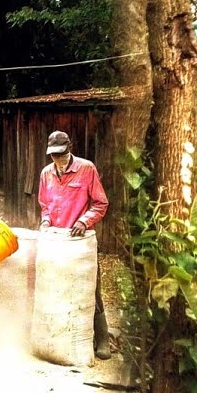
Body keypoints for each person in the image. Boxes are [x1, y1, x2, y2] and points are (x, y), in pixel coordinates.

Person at [37, 131, 111, 358]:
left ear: (69, 148)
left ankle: (103, 338)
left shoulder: (86, 169)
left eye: (61, 154)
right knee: (56, 288)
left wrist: (84, 220)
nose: (57, 159)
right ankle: (62, 338)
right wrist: (46, 219)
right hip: (56, 240)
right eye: (53, 155)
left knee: (90, 290)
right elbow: (44, 203)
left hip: (79, 242)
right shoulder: (46, 173)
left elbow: (101, 203)